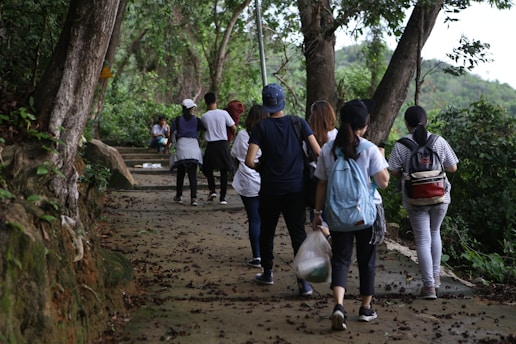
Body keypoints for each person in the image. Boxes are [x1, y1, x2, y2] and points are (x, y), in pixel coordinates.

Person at [311, 99, 389, 330]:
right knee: (367, 261)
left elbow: (322, 184)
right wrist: (382, 158)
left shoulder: (328, 148)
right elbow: (383, 182)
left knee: (341, 259)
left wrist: (318, 213)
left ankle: (338, 305)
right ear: (364, 125)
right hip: (367, 214)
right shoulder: (370, 149)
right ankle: (366, 308)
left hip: (337, 213)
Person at [245, 83, 321, 297]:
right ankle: (303, 283)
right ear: (283, 101)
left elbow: (249, 160)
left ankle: (268, 273)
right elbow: (318, 151)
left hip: (269, 190)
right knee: (297, 235)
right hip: (296, 189)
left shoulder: (261, 128)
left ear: (265, 104)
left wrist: (262, 167)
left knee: (267, 232)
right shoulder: (299, 122)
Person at [388, 105, 458, 299]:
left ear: (406, 124)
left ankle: (429, 287)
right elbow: (452, 168)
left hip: (414, 198)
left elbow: (393, 171)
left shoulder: (401, 145)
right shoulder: (438, 141)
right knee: (435, 233)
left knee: (423, 239)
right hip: (440, 196)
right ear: (426, 121)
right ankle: (435, 278)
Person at [231, 105, 269, 268]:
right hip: (267, 180)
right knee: (266, 219)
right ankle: (267, 253)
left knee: (254, 218)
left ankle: (257, 256)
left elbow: (234, 154)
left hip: (247, 181)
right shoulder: (269, 134)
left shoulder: (242, 135)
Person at [200, 92, 237, 205]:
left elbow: (204, 130)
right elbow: (233, 127)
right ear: (216, 100)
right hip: (222, 144)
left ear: (205, 102)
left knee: (207, 168)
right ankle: (223, 197)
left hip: (211, 145)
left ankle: (212, 190)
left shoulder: (204, 117)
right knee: (224, 170)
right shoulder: (224, 113)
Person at [169, 99, 205, 206]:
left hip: (182, 147)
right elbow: (203, 129)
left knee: (181, 173)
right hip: (193, 147)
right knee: (192, 174)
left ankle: (179, 196)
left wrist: (168, 145)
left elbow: (171, 133)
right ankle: (193, 198)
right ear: (190, 109)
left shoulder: (178, 120)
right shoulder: (196, 120)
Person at [306, 100, 338, 221]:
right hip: (333, 179)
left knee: (317, 215)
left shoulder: (309, 137)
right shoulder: (337, 135)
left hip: (314, 180)